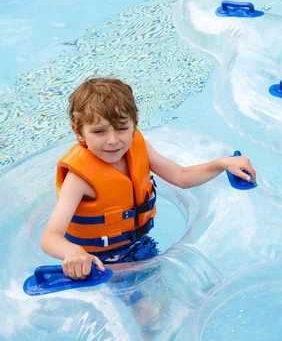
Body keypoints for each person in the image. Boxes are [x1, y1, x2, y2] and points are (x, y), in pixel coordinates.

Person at [40, 77, 257, 279]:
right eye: (99, 132)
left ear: (135, 123)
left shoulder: (137, 147)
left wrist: (222, 163)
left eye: (122, 128)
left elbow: (181, 176)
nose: (113, 141)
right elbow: (50, 237)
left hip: (138, 246)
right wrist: (74, 252)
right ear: (78, 132)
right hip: (99, 263)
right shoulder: (79, 178)